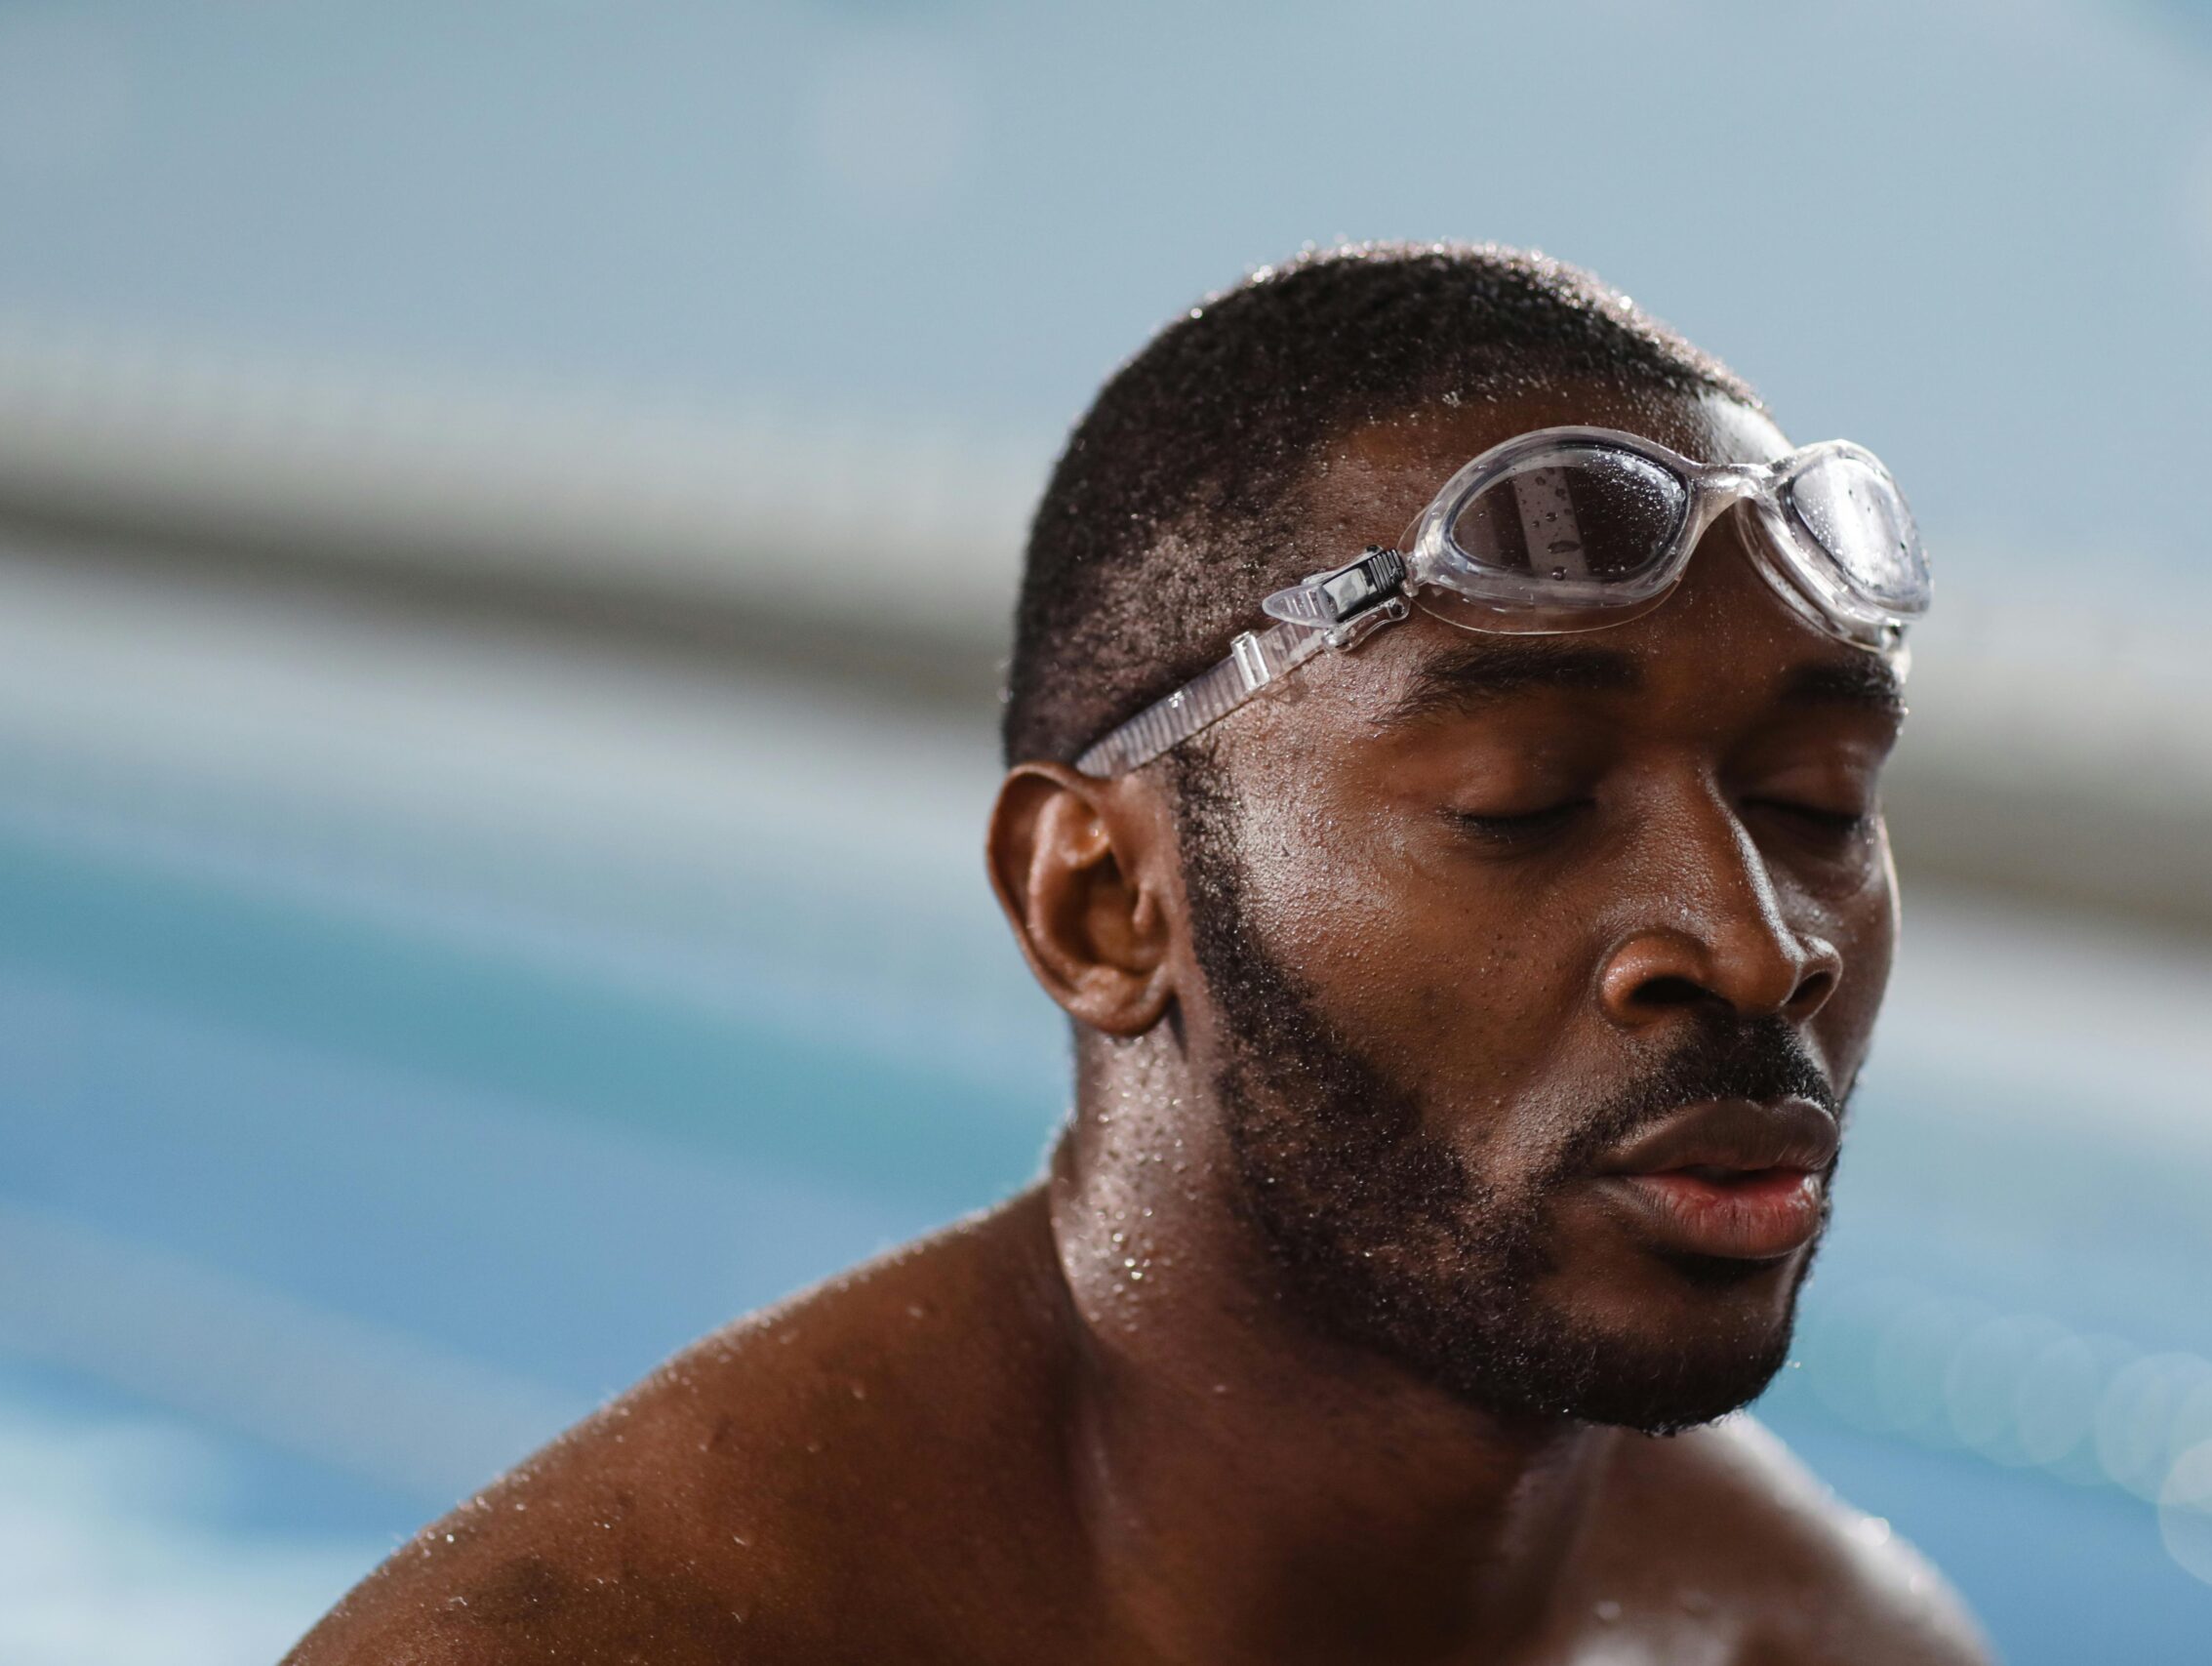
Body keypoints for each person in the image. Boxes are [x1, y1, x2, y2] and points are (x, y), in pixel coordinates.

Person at [287, 243, 1993, 1665]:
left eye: (1813, 800)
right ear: (1100, 906)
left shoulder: (1809, 1641)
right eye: (1524, 803)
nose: (1761, 950)